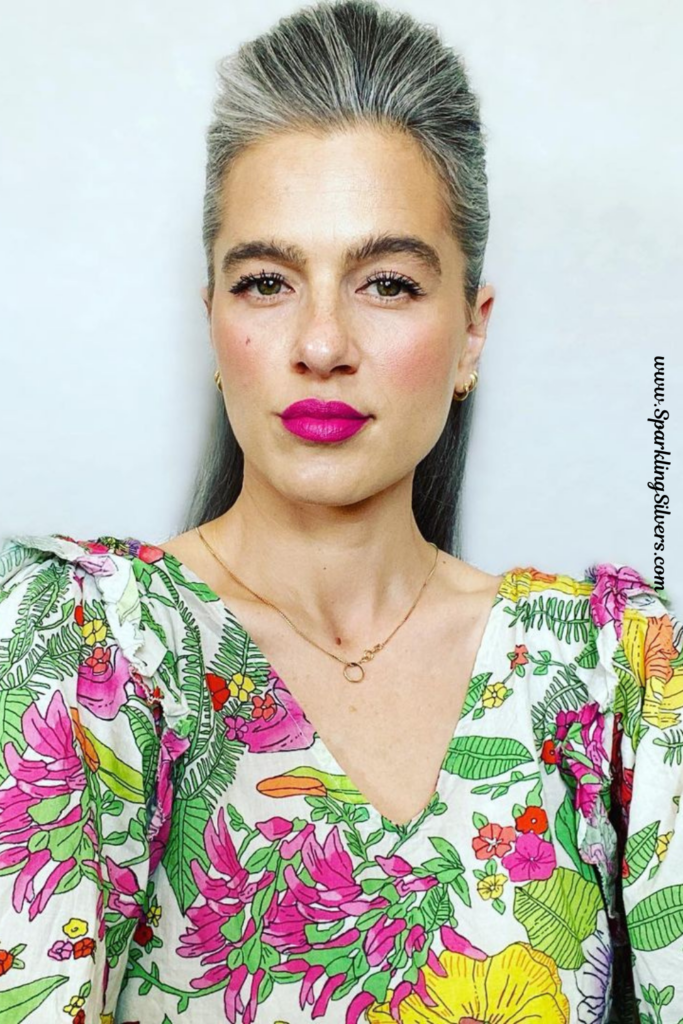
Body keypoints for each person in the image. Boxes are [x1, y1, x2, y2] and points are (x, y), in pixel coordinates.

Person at [0, 1, 680, 1021]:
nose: (321, 342)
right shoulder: (85, 648)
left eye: (387, 283)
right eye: (267, 280)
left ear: (469, 336)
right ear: (214, 319)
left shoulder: (613, 676)